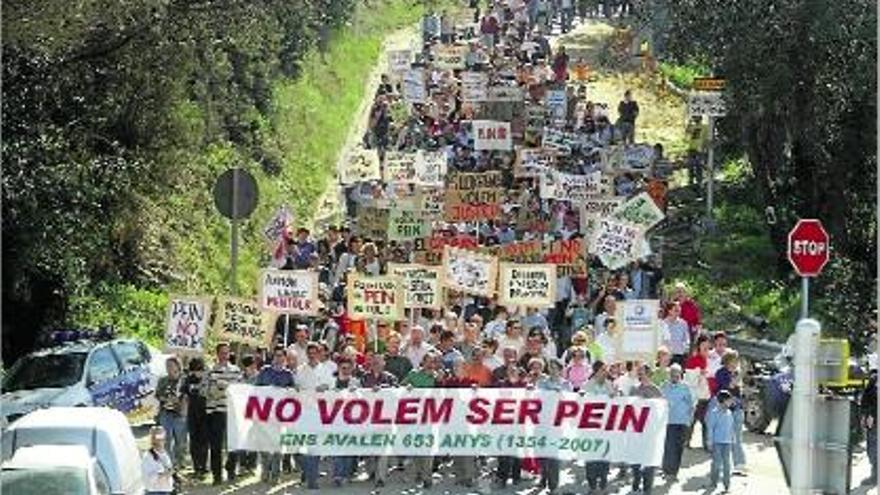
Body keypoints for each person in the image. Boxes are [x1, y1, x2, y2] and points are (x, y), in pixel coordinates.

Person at [255, 346, 296, 483]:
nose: (279, 358)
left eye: (281, 356)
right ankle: (265, 470)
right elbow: (256, 390)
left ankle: (276, 473)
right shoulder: (264, 371)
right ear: (273, 357)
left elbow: (293, 392)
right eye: (276, 355)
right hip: (265, 413)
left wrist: (287, 391)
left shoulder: (288, 374)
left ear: (285, 358)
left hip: (280, 414)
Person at [203, 342, 241, 485]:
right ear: (217, 354)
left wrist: (225, 388)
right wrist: (218, 390)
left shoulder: (236, 370)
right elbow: (204, 391)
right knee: (216, 445)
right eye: (222, 353)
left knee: (233, 444)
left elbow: (239, 390)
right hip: (215, 412)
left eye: (227, 352)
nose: (225, 355)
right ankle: (217, 475)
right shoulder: (210, 371)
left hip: (232, 412)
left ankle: (231, 469)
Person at [402, 351, 441, 488]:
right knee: (417, 445)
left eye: (434, 361)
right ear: (423, 362)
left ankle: (427, 476)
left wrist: (439, 380)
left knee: (428, 447)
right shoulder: (413, 374)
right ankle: (419, 473)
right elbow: (401, 387)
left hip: (431, 416)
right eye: (429, 361)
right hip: (415, 416)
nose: (431, 364)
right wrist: (408, 387)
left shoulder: (438, 376)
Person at [361, 353, 398, 488]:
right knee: (370, 448)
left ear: (384, 363)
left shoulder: (391, 378)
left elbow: (396, 393)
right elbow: (360, 395)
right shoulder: (364, 377)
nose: (376, 363)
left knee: (383, 449)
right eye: (374, 361)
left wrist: (382, 389)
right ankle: (371, 472)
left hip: (385, 418)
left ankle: (380, 477)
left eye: (379, 361)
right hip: (368, 418)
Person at [537, 358, 572, 494]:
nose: (553, 370)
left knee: (554, 455)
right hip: (543, 422)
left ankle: (553, 485)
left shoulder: (566, 384)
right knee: (543, 453)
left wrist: (562, 396)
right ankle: (543, 476)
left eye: (555, 367)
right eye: (550, 367)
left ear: (560, 369)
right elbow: (537, 399)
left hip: (557, 424)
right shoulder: (542, 383)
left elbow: (570, 403)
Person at [630, 364, 662, 494]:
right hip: (636, 431)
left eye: (641, 372)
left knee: (649, 460)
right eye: (638, 373)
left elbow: (661, 411)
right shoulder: (633, 389)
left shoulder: (656, 391)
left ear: (648, 374)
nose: (639, 375)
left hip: (650, 432)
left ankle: (647, 488)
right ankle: (636, 483)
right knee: (636, 460)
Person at [714, 350, 746, 473]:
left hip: (737, 409)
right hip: (724, 411)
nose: (735, 363)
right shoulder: (721, 373)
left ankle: (739, 464)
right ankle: (722, 463)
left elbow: (739, 390)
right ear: (727, 361)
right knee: (724, 437)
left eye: (736, 361)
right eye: (733, 360)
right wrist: (741, 373)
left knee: (737, 437)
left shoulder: (736, 373)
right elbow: (731, 385)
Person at [583, 361, 613, 491]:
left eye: (605, 369)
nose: (605, 372)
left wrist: (615, 397)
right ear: (596, 371)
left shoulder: (609, 385)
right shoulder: (587, 385)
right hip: (591, 427)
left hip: (606, 426)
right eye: (602, 369)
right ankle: (592, 483)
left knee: (605, 454)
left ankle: (603, 480)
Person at [662, 363, 694, 480]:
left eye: (677, 375)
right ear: (669, 375)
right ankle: (666, 470)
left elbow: (691, 404)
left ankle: (674, 471)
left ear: (681, 375)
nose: (675, 377)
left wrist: (690, 419)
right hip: (669, 421)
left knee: (679, 447)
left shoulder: (685, 387)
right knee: (668, 447)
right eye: (673, 375)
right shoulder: (664, 386)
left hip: (682, 422)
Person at [331, 358, 360, 486]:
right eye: (343, 368)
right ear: (338, 369)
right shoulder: (331, 383)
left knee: (348, 449)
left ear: (352, 369)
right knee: (337, 448)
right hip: (335, 420)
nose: (346, 370)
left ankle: (346, 474)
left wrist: (357, 394)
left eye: (348, 368)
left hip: (351, 420)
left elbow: (364, 401)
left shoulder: (356, 383)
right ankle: (338, 474)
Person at [155, 356, 187, 468]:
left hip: (180, 414)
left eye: (170, 365)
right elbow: (157, 394)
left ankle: (180, 461)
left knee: (180, 440)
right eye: (167, 366)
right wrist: (164, 398)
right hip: (166, 413)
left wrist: (180, 400)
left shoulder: (184, 380)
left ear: (177, 366)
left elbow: (188, 395)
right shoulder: (163, 380)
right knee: (166, 439)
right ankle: (169, 462)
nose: (168, 368)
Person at [183, 357, 208, 477]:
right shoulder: (188, 379)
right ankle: (196, 466)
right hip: (192, 413)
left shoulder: (207, 379)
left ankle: (203, 467)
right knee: (194, 440)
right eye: (195, 370)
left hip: (205, 413)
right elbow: (183, 391)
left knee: (204, 441)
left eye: (200, 369)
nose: (197, 372)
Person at [706, 390, 735, 493]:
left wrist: (733, 439)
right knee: (716, 463)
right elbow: (710, 428)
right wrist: (709, 441)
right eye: (729, 400)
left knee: (727, 464)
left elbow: (731, 427)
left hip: (727, 442)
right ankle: (713, 481)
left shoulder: (729, 413)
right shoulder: (714, 413)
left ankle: (727, 485)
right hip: (717, 442)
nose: (731, 402)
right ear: (723, 401)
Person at [142, 426, 174, 495]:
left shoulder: (164, 454)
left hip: (165, 490)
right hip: (155, 491)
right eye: (159, 437)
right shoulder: (148, 456)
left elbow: (168, 468)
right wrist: (163, 474)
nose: (162, 440)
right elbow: (149, 479)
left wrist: (170, 472)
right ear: (152, 439)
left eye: (163, 437)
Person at [861, 369, 878, 486]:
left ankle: (875, 476)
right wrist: (864, 415)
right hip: (872, 420)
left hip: (875, 420)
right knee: (872, 449)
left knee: (873, 449)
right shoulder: (874, 379)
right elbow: (866, 399)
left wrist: (872, 414)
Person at [660, 301, 690, 366]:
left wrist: (685, 347)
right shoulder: (663, 324)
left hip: (679, 354)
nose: (678, 312)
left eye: (679, 310)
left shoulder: (683, 323)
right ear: (669, 311)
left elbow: (686, 338)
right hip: (666, 355)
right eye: (676, 310)